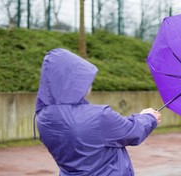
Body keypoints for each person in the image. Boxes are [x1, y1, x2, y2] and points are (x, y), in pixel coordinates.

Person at [35, 48, 161, 176]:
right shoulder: (99, 116)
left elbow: (106, 129)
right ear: (73, 81)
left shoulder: (43, 118)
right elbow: (132, 131)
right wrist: (149, 117)